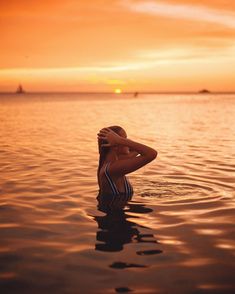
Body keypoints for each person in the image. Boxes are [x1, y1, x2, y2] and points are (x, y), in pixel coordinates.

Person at [97, 126, 157, 211]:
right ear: (114, 146)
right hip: (115, 222)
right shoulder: (112, 169)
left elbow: (140, 151)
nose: (127, 141)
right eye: (124, 139)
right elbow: (152, 154)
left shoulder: (115, 162)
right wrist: (119, 140)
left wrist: (120, 141)